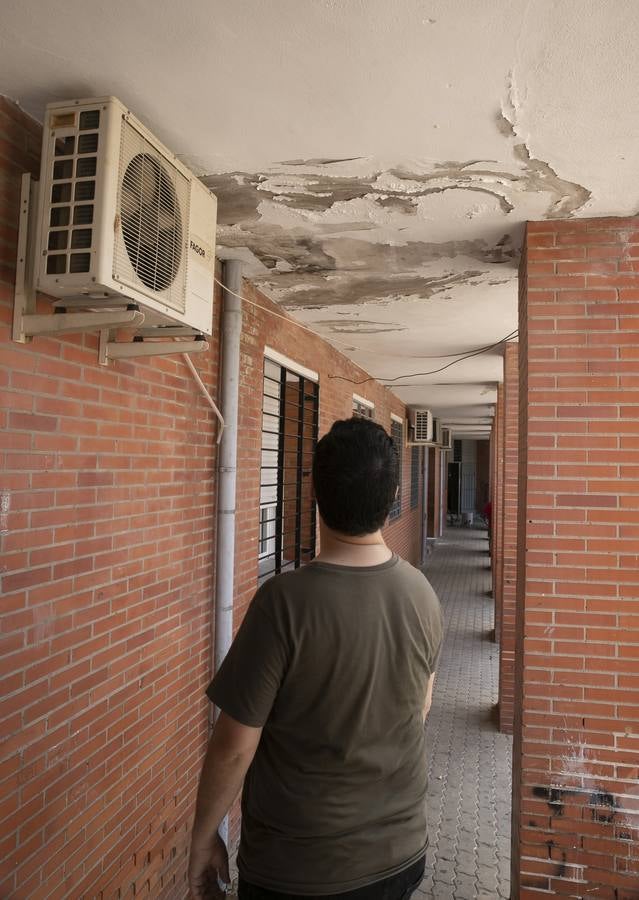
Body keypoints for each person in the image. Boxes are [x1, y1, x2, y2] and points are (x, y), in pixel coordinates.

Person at [189, 417, 443, 900]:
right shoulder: (423, 594)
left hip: (302, 869)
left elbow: (234, 747)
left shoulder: (284, 604)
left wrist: (204, 838)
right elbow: (420, 707)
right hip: (400, 853)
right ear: (393, 497)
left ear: (316, 494)